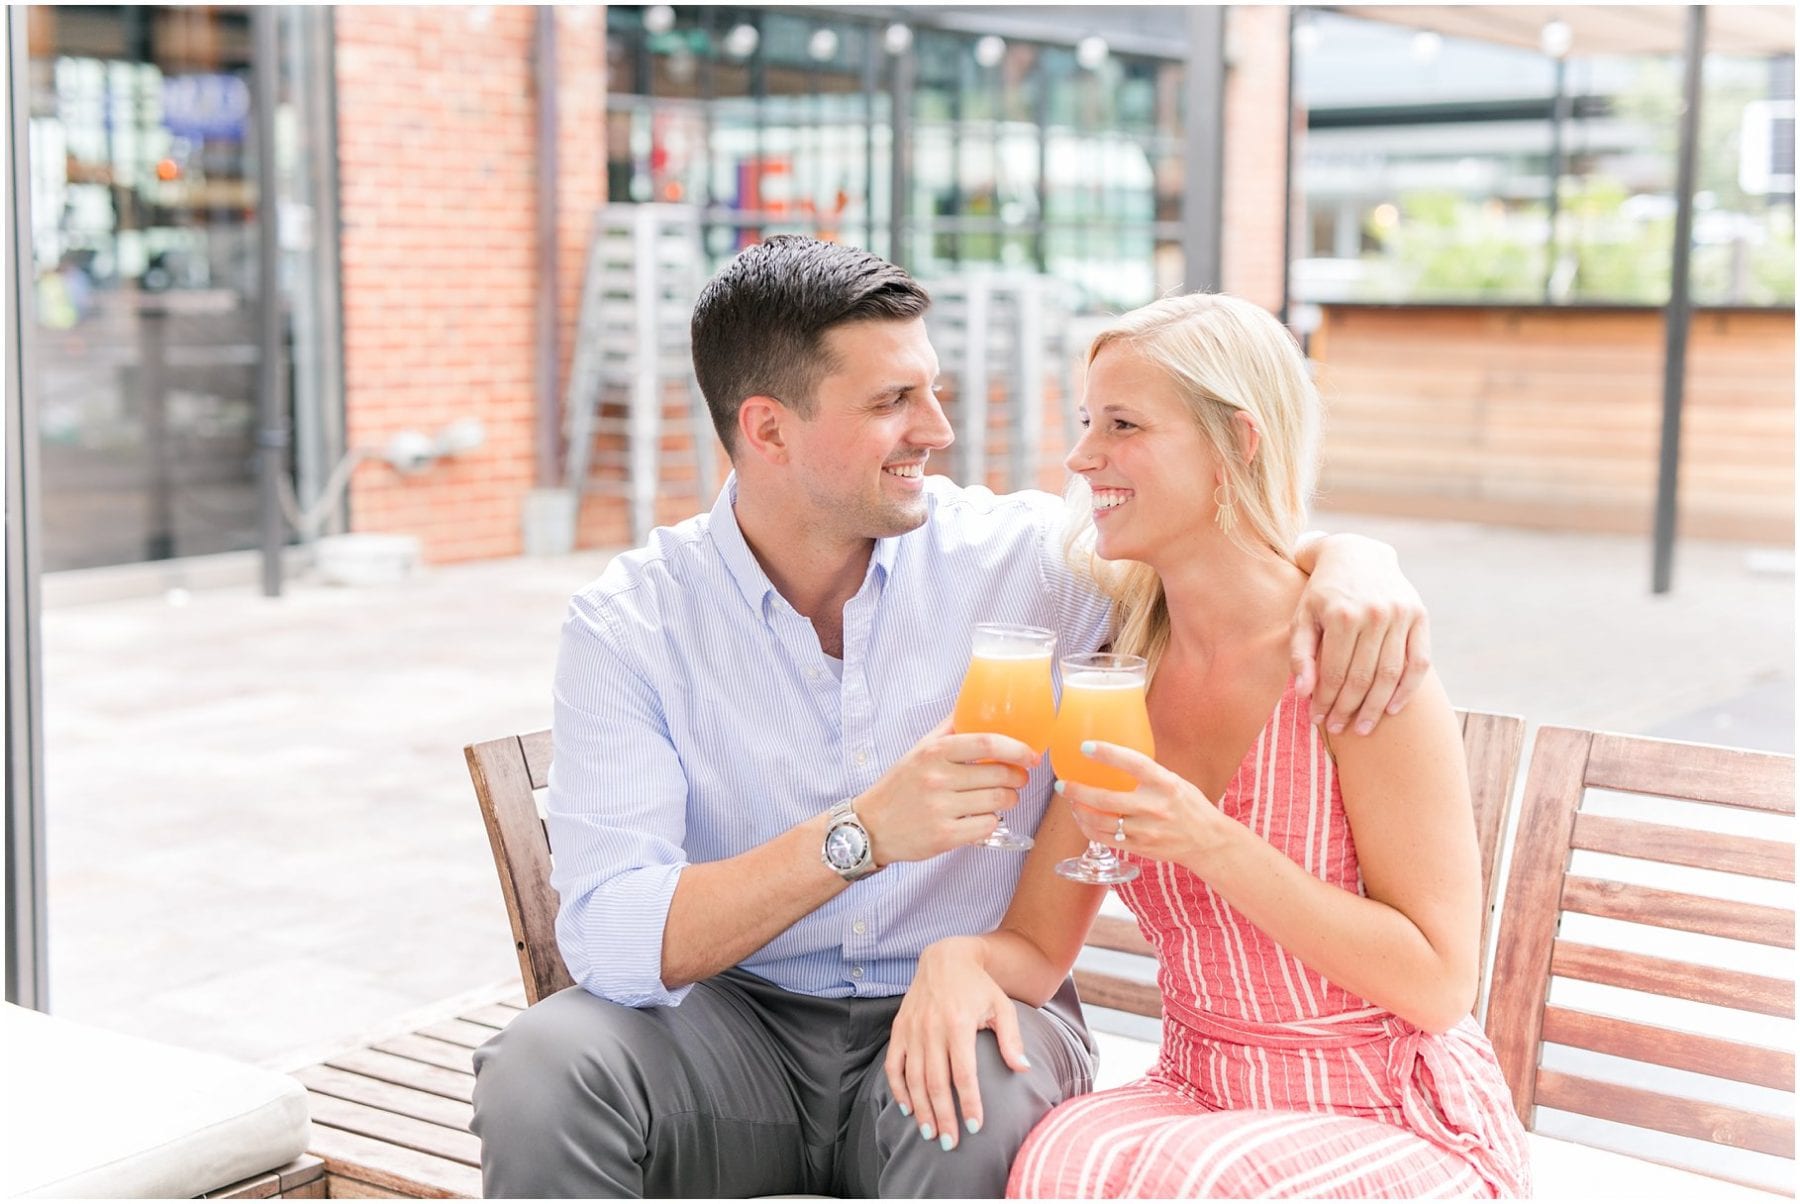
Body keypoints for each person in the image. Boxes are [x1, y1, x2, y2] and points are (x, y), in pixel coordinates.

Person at [469, 239, 1435, 1199]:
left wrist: (1350, 558)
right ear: (767, 430)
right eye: (892, 402)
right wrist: (861, 836)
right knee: (544, 1066)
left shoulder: (1030, 560)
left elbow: (1209, 540)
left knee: (970, 1097)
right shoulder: (632, 622)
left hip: (973, 1012)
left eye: (932, 390)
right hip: (734, 1028)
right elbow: (610, 935)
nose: (937, 429)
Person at [884, 291, 1531, 1199]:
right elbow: (1035, 945)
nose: (1081, 457)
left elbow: (1435, 986)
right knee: (1055, 1159)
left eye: (1123, 424)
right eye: (1085, 422)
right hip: (1199, 1090)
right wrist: (954, 959)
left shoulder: (1355, 666)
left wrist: (1207, 840)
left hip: (1385, 1110)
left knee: (1200, 1184)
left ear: (1239, 441)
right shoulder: (1119, 676)